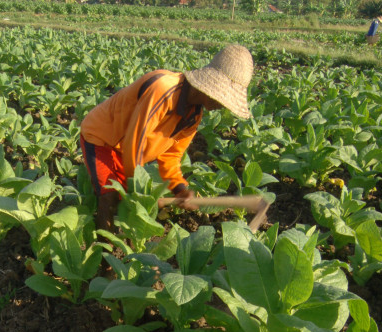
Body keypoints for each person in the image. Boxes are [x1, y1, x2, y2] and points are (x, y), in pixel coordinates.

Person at [79, 44, 254, 231]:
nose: (223, 106)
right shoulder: (163, 90)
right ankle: (104, 254)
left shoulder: (193, 118)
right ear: (211, 88)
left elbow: (171, 156)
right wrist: (139, 191)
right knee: (109, 195)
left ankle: (125, 249)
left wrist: (180, 189)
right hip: (101, 138)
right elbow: (135, 141)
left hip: (125, 150)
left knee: (123, 200)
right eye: (224, 99)